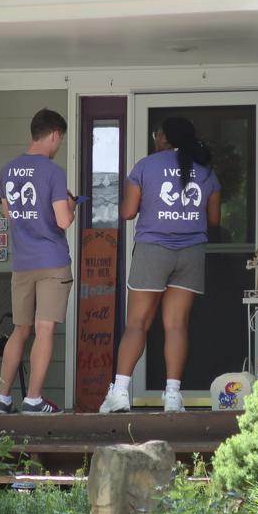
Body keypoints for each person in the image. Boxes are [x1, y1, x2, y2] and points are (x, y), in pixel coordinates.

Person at [99, 116, 221, 413]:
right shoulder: (206, 172)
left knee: (137, 324)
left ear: (163, 138)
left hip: (153, 250)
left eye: (157, 134)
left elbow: (128, 212)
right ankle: (172, 396)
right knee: (177, 325)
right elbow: (214, 220)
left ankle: (119, 393)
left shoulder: (146, 166)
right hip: (190, 252)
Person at [0, 108, 77, 415]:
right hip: (52, 261)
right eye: (61, 139)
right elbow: (63, 221)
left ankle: (2, 398)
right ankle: (33, 399)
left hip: (23, 262)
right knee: (44, 329)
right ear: (54, 135)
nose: (59, 146)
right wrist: (71, 204)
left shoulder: (7, 170)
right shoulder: (53, 172)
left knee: (20, 329)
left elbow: (9, 213)